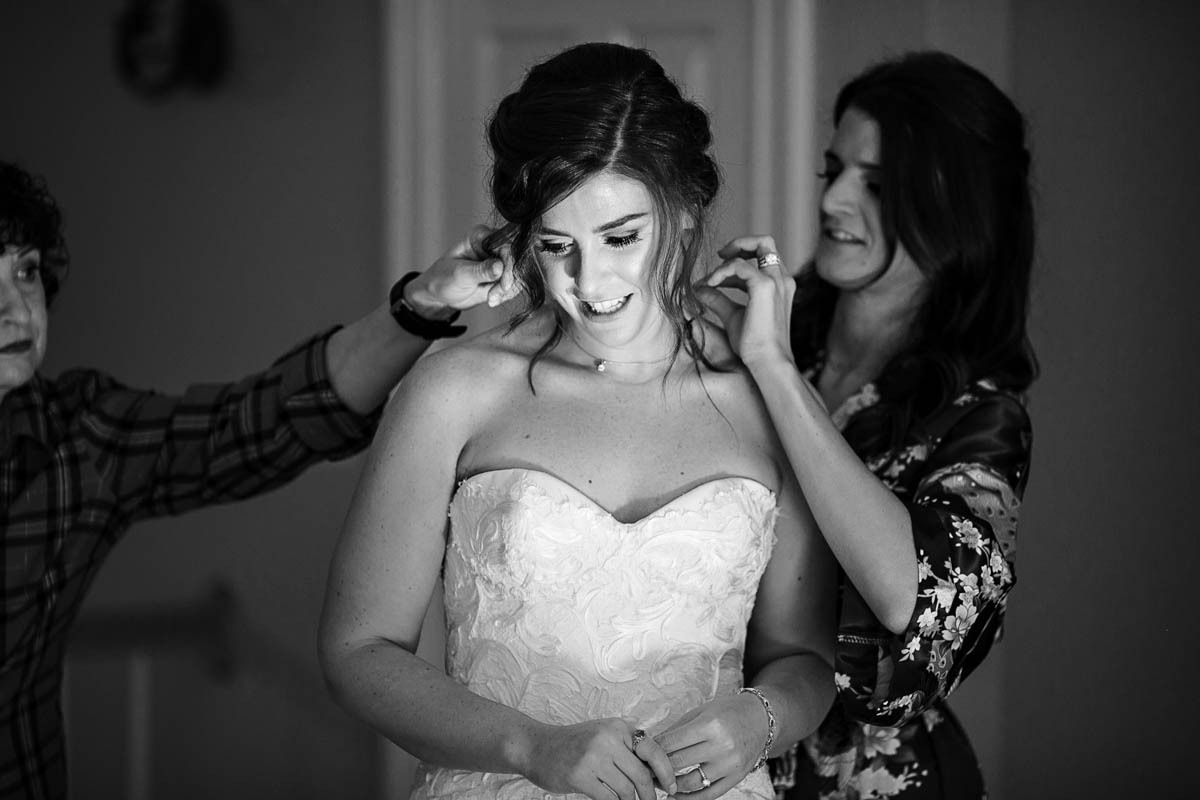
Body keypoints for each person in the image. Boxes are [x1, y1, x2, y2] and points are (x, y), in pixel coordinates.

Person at [319, 42, 836, 800]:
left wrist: (762, 718)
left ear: (686, 212)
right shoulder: (455, 390)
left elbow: (805, 660)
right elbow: (358, 650)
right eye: (557, 246)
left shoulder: (767, 400)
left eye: (622, 238)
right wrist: (530, 745)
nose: (590, 283)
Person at [0, 159, 518, 800]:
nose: (14, 308)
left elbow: (262, 421)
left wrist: (424, 301)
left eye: (24, 271)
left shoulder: (71, 439)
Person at [698, 51, 1036, 799]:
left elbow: (916, 608)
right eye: (834, 170)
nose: (835, 201)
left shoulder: (983, 420)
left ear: (959, 211)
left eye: (878, 186)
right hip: (699, 753)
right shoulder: (775, 324)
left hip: (867, 783)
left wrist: (777, 375)